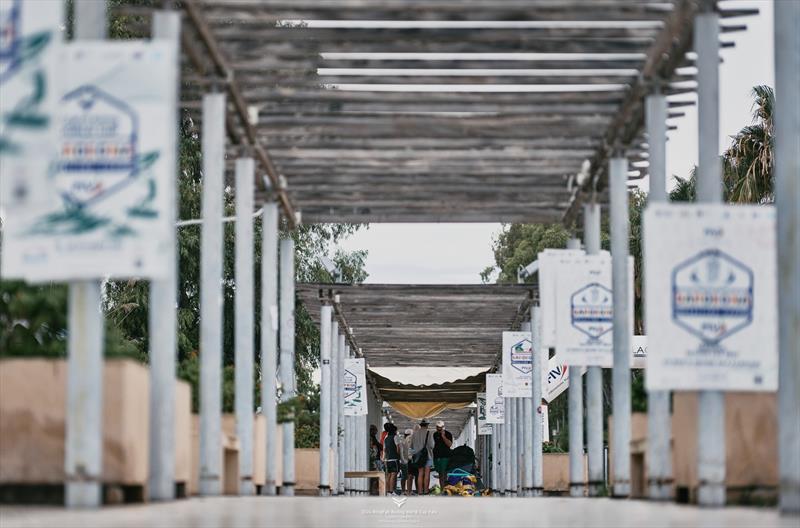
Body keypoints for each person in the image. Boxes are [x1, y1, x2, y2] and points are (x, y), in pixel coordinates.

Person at [410, 419, 434, 494]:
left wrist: (415, 453)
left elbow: (411, 446)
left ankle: (420, 491)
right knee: (427, 473)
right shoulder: (429, 433)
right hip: (428, 456)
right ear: (427, 425)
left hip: (418, 456)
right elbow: (431, 445)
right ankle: (426, 491)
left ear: (420, 425)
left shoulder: (414, 434)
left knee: (420, 473)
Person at [381, 423, 401, 494]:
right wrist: (399, 456)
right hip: (394, 459)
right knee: (393, 474)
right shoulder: (395, 437)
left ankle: (387, 491)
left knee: (388, 475)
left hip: (387, 460)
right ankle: (391, 491)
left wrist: (383, 459)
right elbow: (398, 448)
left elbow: (384, 449)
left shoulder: (386, 439)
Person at [399, 428, 413, 495]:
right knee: (408, 476)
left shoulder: (402, 440)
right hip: (407, 461)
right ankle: (407, 491)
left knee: (404, 476)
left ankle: (404, 490)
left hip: (403, 461)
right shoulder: (407, 441)